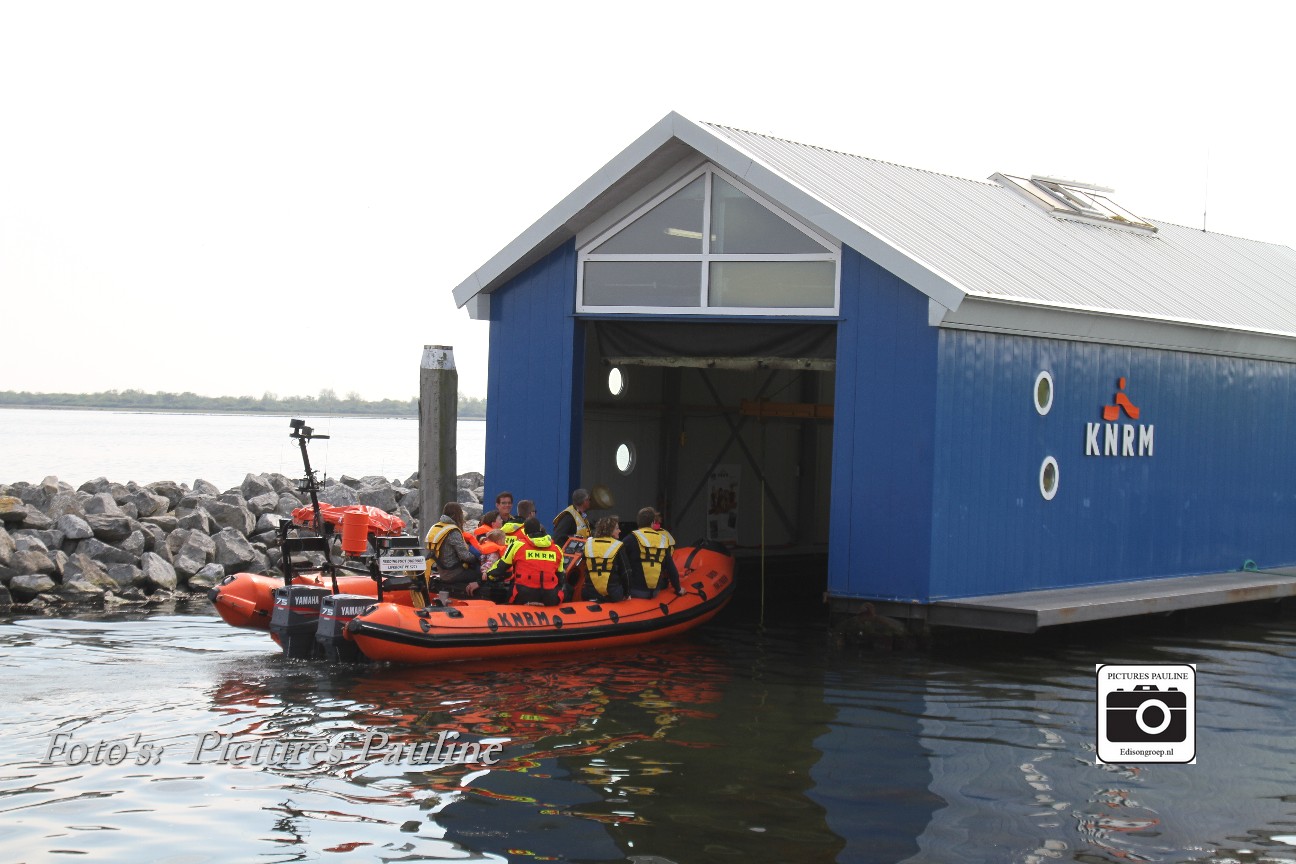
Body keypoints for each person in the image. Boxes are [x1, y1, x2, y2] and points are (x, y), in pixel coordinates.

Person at [486, 517, 562, 606]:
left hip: (523, 596)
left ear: (524, 531)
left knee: (507, 594)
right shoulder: (557, 549)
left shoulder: (517, 545)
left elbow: (501, 567)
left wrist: (488, 575)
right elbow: (561, 577)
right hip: (550, 597)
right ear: (540, 529)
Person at [625, 506, 683, 599]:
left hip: (635, 590)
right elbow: (671, 569)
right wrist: (678, 589)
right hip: (655, 591)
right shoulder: (663, 540)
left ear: (638, 522)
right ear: (652, 523)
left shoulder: (630, 539)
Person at [425, 502, 481, 597]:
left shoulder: (438, 527)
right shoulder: (453, 532)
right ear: (457, 515)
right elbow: (465, 556)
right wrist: (478, 557)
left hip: (442, 572)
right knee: (480, 575)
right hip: (453, 573)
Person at [582, 516, 630, 602]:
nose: (619, 531)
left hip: (589, 592)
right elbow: (626, 573)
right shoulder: (618, 546)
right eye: (617, 528)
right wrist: (627, 594)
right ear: (610, 530)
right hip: (612, 594)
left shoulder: (588, 545)